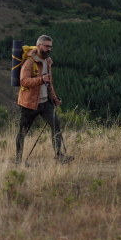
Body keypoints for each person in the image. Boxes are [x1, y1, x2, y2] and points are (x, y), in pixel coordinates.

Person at [15, 35, 74, 165]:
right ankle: (18, 160)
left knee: (56, 123)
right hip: (29, 104)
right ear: (39, 46)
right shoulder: (30, 62)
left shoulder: (47, 61)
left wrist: (54, 98)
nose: (49, 49)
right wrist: (40, 80)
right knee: (23, 132)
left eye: (50, 46)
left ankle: (59, 156)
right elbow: (23, 81)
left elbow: (49, 83)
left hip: (45, 102)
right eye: (47, 46)